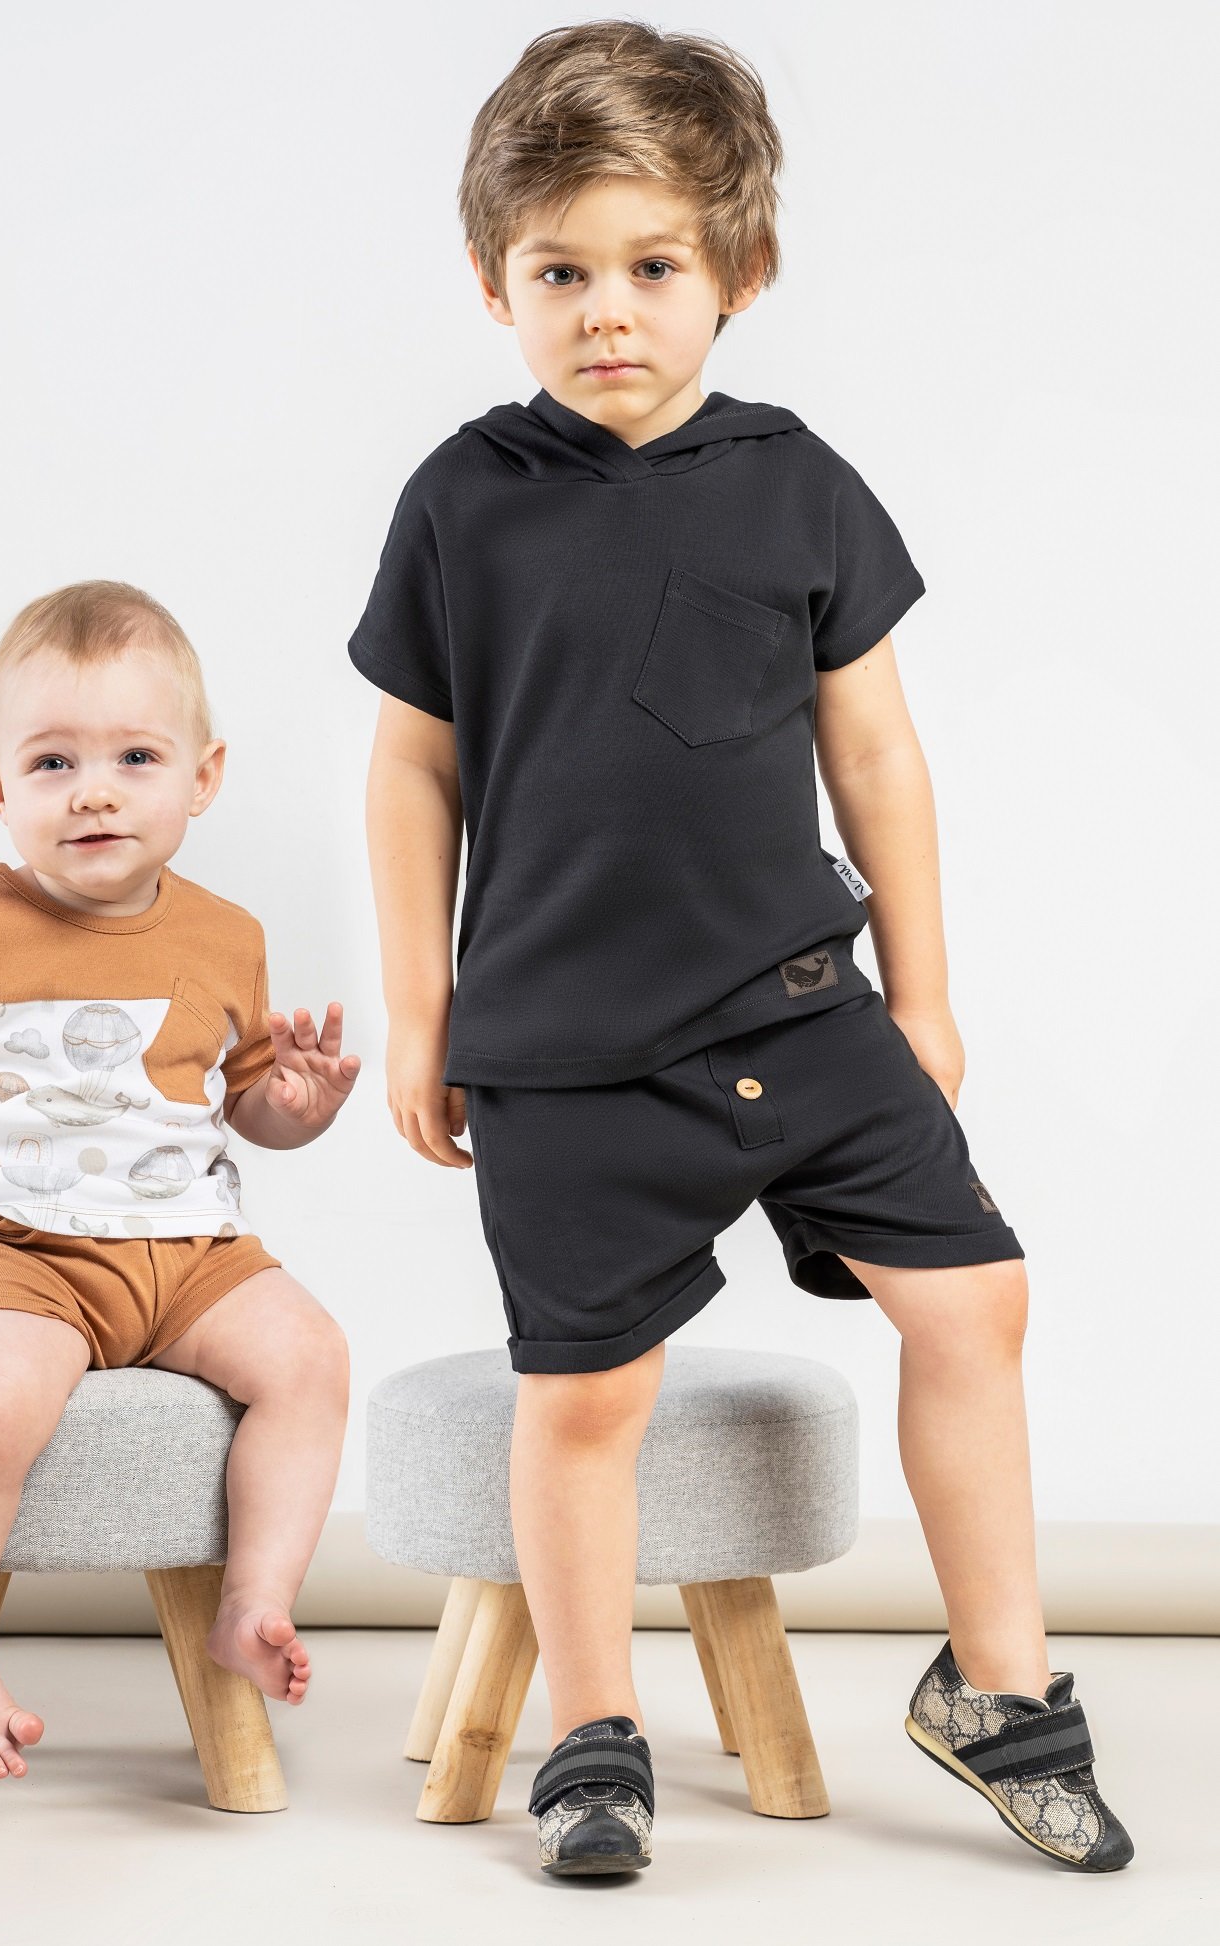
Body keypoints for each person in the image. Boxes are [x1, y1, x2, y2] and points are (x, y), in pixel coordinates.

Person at [348, 19, 1131, 1877]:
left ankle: (999, 1689)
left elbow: (879, 754)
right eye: (560, 273)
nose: (606, 311)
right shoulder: (461, 498)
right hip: (566, 1045)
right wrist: (420, 1014)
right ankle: (594, 1735)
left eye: (651, 267)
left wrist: (924, 992)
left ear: (739, 272)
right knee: (586, 1391)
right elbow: (412, 767)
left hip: (798, 1004)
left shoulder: (802, 483)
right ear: (494, 283)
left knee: (978, 1302)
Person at [0, 580, 357, 1786]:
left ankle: (253, 1599)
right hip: (8, 1252)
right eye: (53, 761)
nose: (94, 790)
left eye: (136, 756)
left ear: (202, 775)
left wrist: (293, 1109)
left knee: (310, 1356)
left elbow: (241, 1103)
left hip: (190, 1250)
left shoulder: (227, 933)